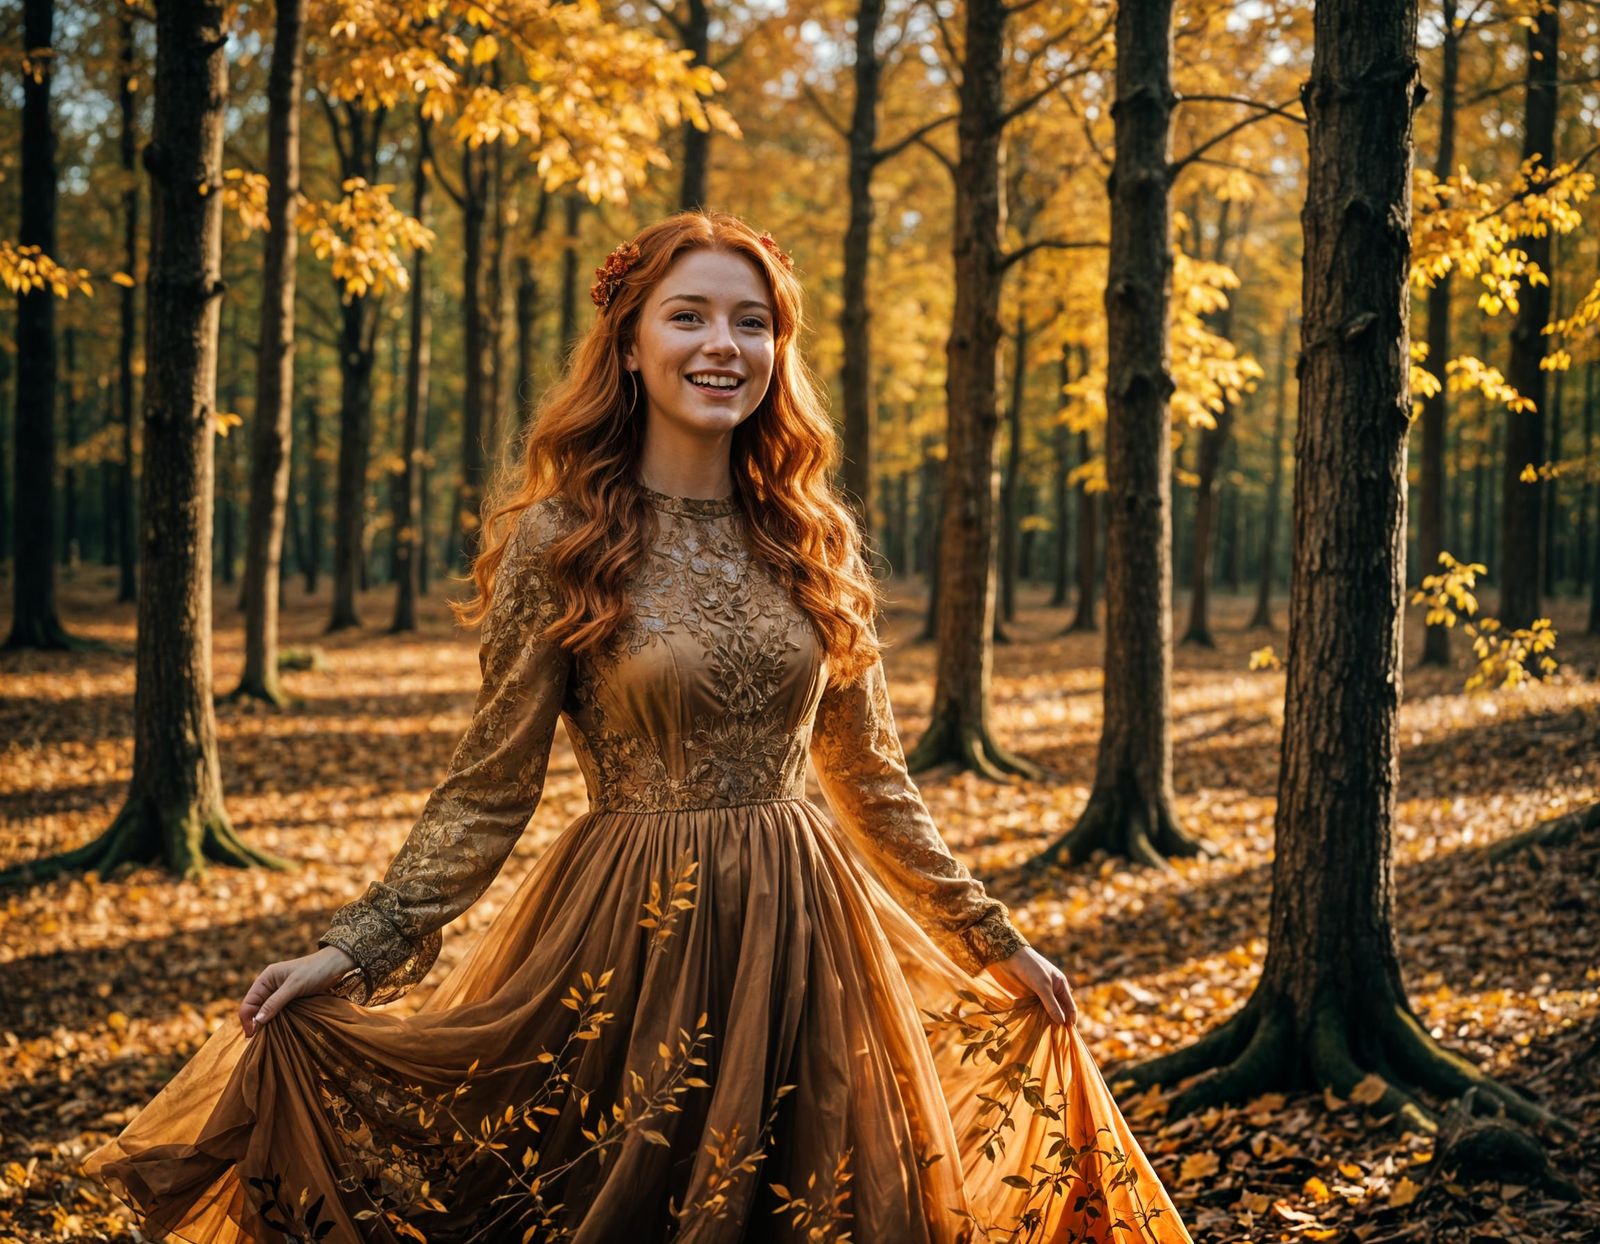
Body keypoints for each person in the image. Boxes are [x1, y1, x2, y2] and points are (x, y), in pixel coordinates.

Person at [85, 210, 1193, 1243]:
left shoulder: (811, 537)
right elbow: (488, 787)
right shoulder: (561, 541)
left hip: (809, 933)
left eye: (752, 322)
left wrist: (993, 939)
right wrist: (353, 946)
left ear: (778, 351)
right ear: (628, 345)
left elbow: (872, 774)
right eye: (689, 315)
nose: (724, 345)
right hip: (637, 937)